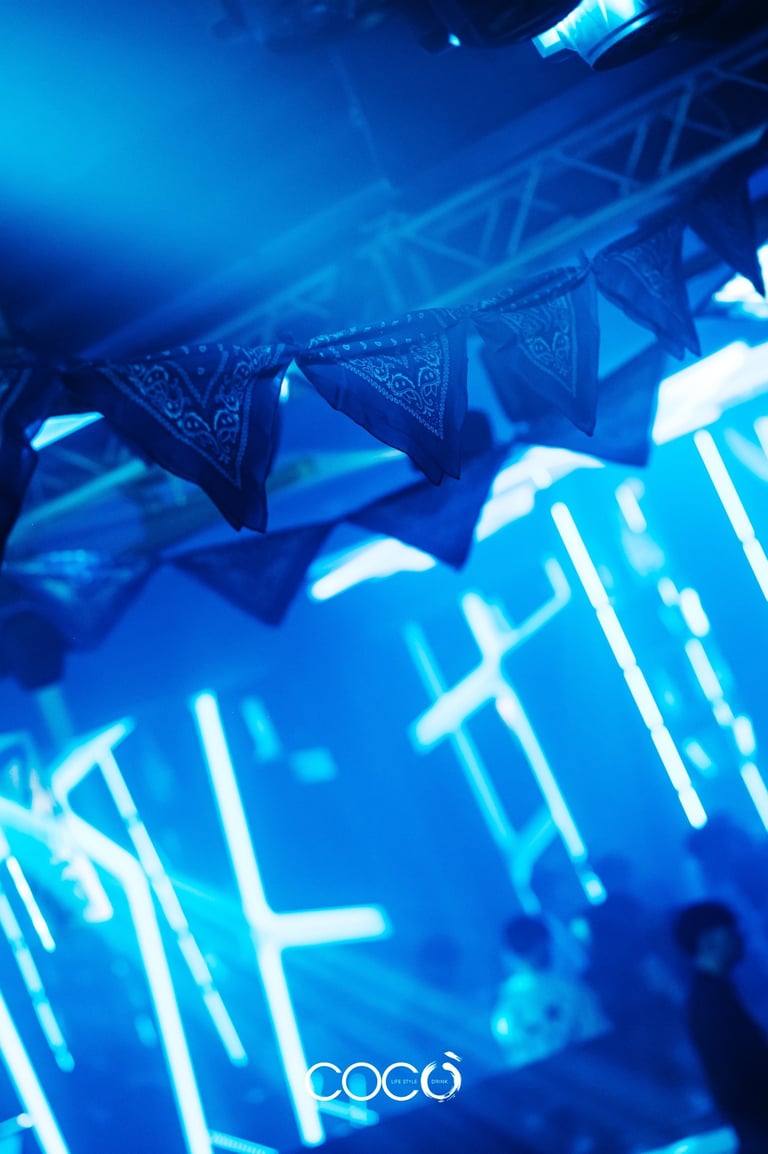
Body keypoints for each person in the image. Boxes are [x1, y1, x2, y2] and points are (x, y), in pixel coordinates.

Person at [673, 901, 768, 1152]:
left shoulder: (716, 994)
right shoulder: (710, 1001)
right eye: (731, 930)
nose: (740, 937)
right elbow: (732, 1081)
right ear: (708, 941)